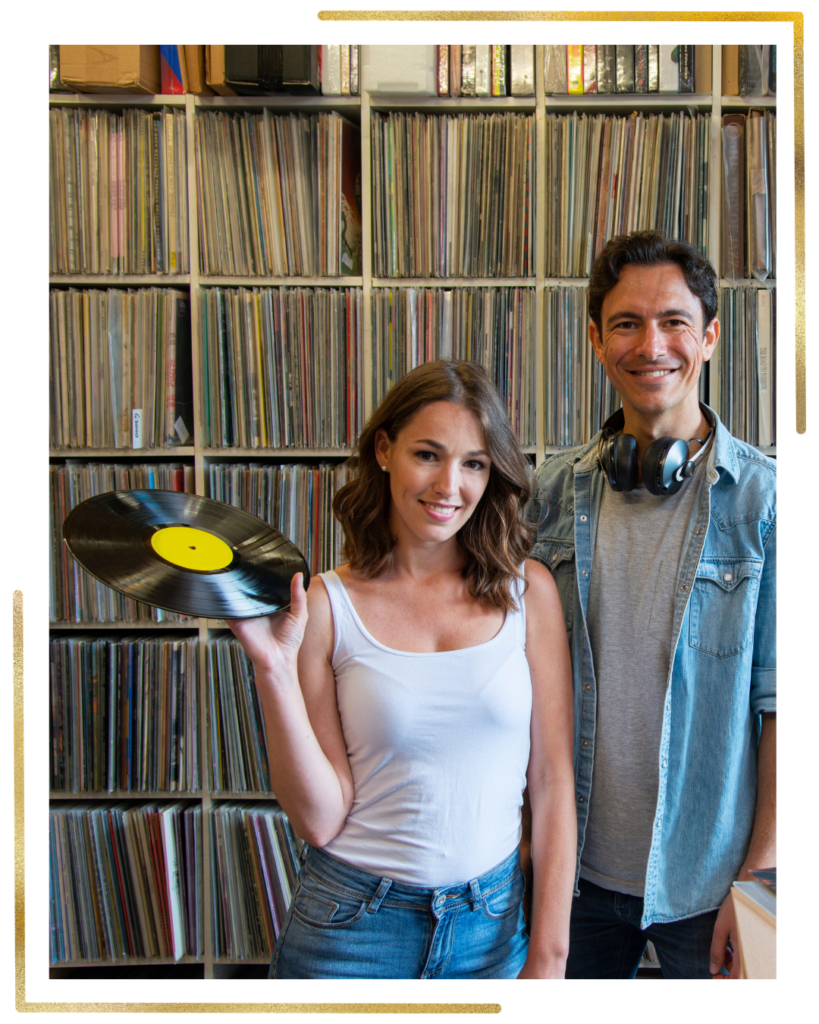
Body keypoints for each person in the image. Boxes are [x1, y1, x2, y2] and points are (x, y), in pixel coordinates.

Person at [228, 360, 576, 980]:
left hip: (491, 931)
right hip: (351, 930)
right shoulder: (327, 607)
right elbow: (319, 817)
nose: (450, 485)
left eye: (473, 463)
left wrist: (549, 957)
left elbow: (551, 782)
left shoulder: (529, 594)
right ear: (384, 450)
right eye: (428, 454)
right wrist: (271, 670)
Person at [526, 231, 776, 979]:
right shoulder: (550, 492)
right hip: (568, 873)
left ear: (708, 337)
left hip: (709, 879)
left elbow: (789, 706)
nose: (651, 344)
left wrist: (760, 884)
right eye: (627, 324)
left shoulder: (766, 502)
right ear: (598, 341)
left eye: (672, 321)